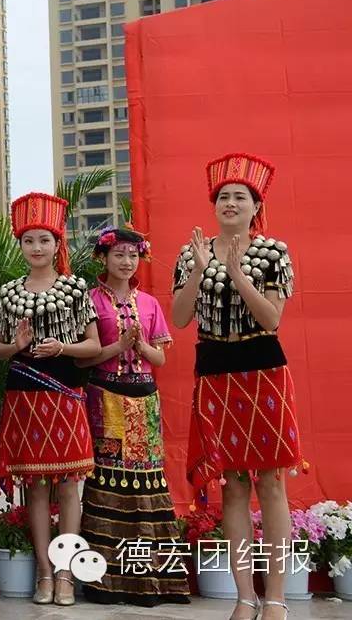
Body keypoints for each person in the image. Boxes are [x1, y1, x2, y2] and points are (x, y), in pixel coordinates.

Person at [171, 153, 305, 620]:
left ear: (255, 206)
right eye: (223, 197)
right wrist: (198, 270)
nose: (230, 203)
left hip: (262, 365)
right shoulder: (193, 251)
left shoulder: (273, 251)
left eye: (239, 197)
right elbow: (180, 318)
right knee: (230, 485)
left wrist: (234, 272)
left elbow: (271, 319)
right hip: (214, 368)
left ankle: (277, 597)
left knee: (271, 483)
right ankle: (244, 595)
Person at [0, 192, 101, 607]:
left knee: (70, 486)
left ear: (58, 244)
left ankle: (66, 572)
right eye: (29, 240)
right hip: (24, 396)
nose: (36, 248)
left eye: (44, 240)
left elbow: (94, 346)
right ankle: (42, 571)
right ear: (20, 245)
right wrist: (13, 344)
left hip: (65, 395)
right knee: (35, 487)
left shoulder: (75, 289)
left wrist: (63, 349)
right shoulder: (8, 293)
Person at [78, 227, 190, 607]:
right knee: (108, 481)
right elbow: (83, 358)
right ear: (103, 258)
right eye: (118, 255)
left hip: (144, 399)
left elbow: (160, 359)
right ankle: (104, 582)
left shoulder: (150, 304)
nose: (126, 262)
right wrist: (117, 345)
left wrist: (140, 345)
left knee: (147, 484)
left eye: (131, 256)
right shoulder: (90, 301)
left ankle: (153, 583)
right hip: (105, 396)